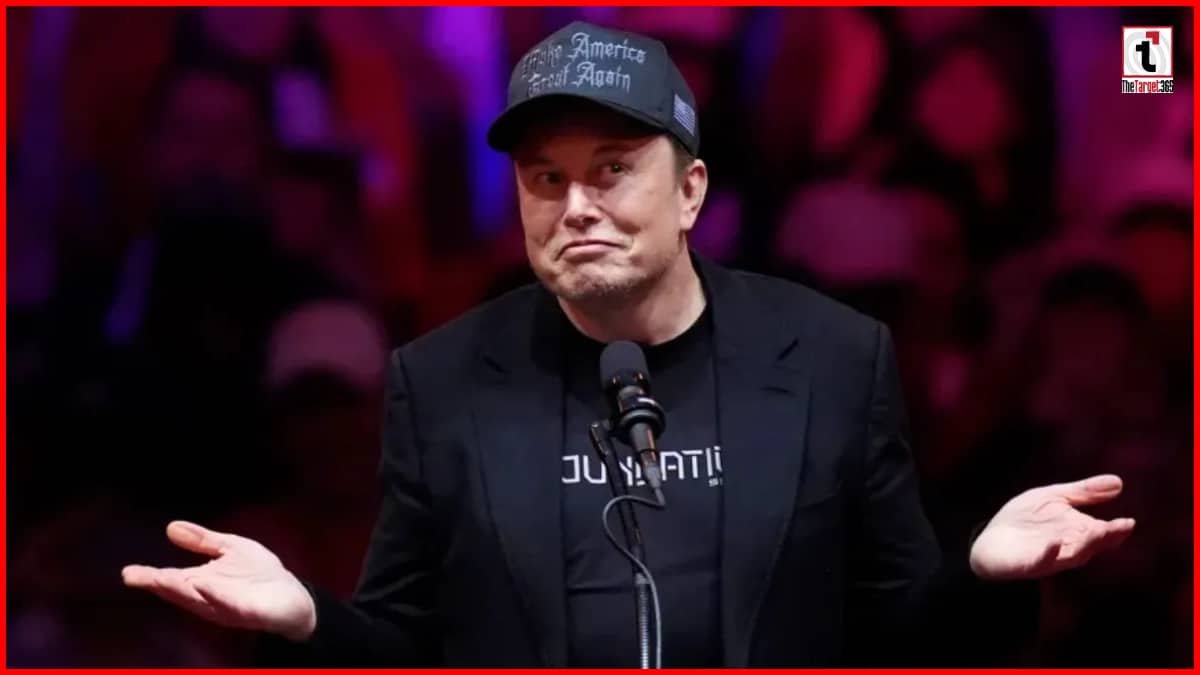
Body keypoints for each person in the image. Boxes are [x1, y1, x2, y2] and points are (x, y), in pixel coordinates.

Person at [122, 21, 1135, 667]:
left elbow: (899, 636)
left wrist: (987, 580)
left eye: (612, 169)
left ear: (690, 190)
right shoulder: (439, 380)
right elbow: (406, 644)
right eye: (546, 178)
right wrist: (306, 619)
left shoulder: (832, 357)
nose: (577, 206)